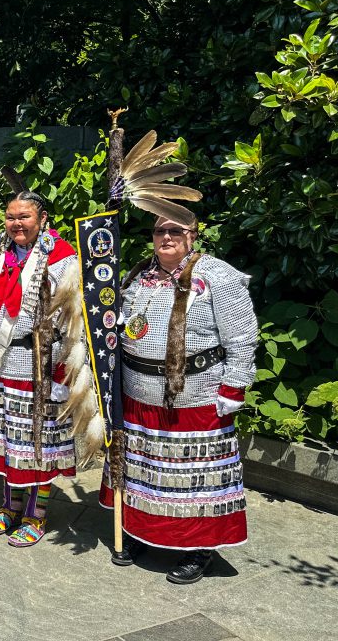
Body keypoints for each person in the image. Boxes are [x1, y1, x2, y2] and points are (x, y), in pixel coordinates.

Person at [100, 214, 258, 584]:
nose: (166, 237)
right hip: (136, 392)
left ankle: (197, 547)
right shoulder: (138, 275)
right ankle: (141, 533)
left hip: (194, 394)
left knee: (193, 476)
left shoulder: (218, 276)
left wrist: (234, 387)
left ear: (193, 234)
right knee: (144, 472)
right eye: (159, 230)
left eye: (176, 230)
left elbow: (242, 337)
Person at [0, 187, 97, 547]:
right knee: (10, 441)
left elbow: (74, 325)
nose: (15, 224)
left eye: (24, 217)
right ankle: (10, 506)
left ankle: (35, 515)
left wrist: (62, 373)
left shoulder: (63, 260)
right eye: (10, 217)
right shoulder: (0, 255)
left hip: (38, 367)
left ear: (42, 219)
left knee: (35, 443)